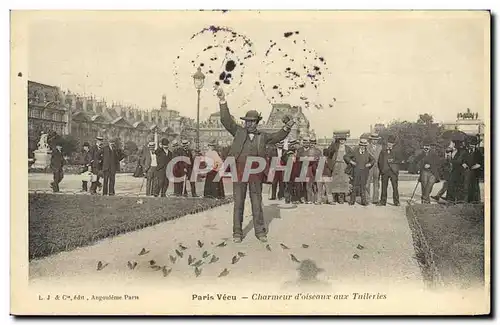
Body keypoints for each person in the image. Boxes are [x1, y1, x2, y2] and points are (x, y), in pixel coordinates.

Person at [216, 87, 294, 243]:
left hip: (256, 172)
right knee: (238, 202)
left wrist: (287, 127)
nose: (249, 124)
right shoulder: (237, 131)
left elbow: (277, 137)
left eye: (252, 122)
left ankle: (260, 232)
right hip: (239, 171)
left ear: (257, 122)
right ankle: (237, 233)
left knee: (257, 202)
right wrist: (222, 100)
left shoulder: (262, 136)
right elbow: (225, 120)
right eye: (247, 121)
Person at [343, 138, 375, 206]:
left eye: (364, 146)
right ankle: (352, 201)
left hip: (364, 172)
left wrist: (369, 164)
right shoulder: (355, 152)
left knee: (363, 187)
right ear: (359, 145)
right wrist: (351, 162)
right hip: (356, 171)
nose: (363, 147)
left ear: (365, 146)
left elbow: (373, 160)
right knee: (354, 186)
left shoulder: (367, 153)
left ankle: (363, 201)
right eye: (361, 145)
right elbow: (346, 156)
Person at [326, 131, 351, 204]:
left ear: (345, 140)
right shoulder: (335, 147)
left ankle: (341, 198)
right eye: (340, 139)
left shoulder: (348, 148)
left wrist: (349, 164)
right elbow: (328, 152)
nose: (342, 141)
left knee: (343, 181)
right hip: (336, 165)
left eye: (343, 139)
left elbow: (352, 157)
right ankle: (334, 197)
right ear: (339, 140)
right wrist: (333, 142)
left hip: (344, 165)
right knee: (335, 181)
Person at [414, 139, 441, 204]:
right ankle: (426, 201)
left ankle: (424, 198)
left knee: (429, 186)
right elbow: (415, 161)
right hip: (424, 172)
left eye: (428, 146)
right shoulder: (421, 154)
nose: (426, 147)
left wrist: (430, 165)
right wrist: (418, 168)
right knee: (424, 186)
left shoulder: (434, 153)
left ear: (430, 147)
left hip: (433, 173)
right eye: (425, 146)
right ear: (423, 146)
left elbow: (439, 162)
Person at [377, 135, 401, 206]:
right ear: (387, 143)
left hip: (393, 172)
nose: (390, 144)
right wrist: (382, 170)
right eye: (389, 143)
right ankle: (383, 201)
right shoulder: (383, 151)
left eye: (391, 143)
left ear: (393, 144)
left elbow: (400, 160)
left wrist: (393, 160)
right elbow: (380, 161)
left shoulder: (397, 151)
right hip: (385, 171)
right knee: (384, 187)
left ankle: (396, 202)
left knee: (395, 187)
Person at [462, 136, 483, 203]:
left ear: (475, 145)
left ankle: (476, 200)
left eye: (473, 144)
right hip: (467, 171)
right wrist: (463, 164)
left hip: (475, 171)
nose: (471, 146)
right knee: (466, 185)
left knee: (475, 186)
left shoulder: (478, 152)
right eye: (470, 144)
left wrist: (477, 166)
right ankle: (466, 200)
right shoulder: (466, 152)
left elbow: (481, 162)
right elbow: (462, 160)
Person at [446, 137, 467, 203]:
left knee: (458, 185)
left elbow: (459, 161)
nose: (450, 145)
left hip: (459, 171)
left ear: (455, 144)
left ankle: (458, 199)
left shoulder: (462, 151)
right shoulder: (452, 151)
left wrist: (450, 159)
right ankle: (451, 199)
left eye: (451, 144)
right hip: (454, 170)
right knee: (451, 184)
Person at [282, 139, 302, 204]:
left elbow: (300, 163)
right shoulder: (287, 153)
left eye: (295, 144)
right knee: (288, 187)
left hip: (296, 173)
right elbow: (283, 159)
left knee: (297, 187)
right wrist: (288, 154)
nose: (294, 145)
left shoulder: (299, 153)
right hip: (289, 173)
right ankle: (288, 199)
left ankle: (296, 199)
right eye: (292, 144)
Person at [366, 133, 382, 204]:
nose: (374, 141)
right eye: (373, 139)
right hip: (369, 167)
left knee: (376, 183)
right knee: (367, 183)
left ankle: (375, 199)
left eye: (376, 140)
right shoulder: (367, 147)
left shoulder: (380, 147)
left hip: (377, 167)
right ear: (371, 140)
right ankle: (367, 198)